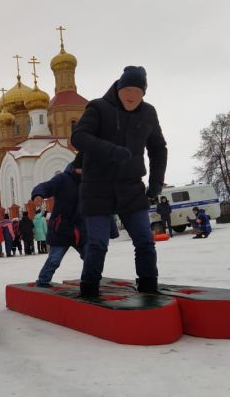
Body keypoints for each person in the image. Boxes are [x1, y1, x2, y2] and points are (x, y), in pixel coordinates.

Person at [71, 65, 167, 297]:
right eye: (128, 89)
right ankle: (90, 288)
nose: (132, 95)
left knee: (145, 240)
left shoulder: (148, 113)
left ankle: (148, 286)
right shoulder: (98, 108)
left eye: (138, 90)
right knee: (98, 244)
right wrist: (111, 151)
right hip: (97, 186)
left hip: (131, 187)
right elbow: (79, 137)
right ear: (118, 88)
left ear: (144, 92)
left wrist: (156, 183)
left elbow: (158, 148)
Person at [32, 153, 87, 287]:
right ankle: (43, 282)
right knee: (54, 260)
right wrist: (38, 194)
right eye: (83, 168)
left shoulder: (89, 181)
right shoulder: (62, 179)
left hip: (80, 229)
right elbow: (46, 186)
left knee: (91, 256)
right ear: (76, 167)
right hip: (61, 228)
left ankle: (90, 281)